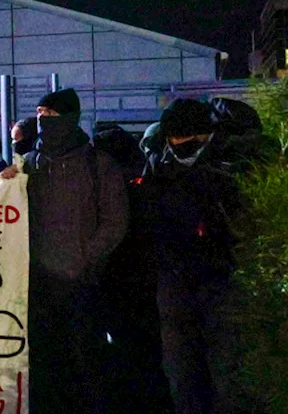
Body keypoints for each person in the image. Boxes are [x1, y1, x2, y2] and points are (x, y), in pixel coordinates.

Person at [19, 89, 128, 412]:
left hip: (81, 284)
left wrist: (84, 258)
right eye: (39, 114)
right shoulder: (27, 164)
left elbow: (115, 221)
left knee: (85, 363)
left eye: (50, 115)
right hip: (37, 286)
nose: (42, 121)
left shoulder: (98, 165)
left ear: (68, 119)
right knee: (44, 366)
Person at [146, 98, 255, 414]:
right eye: (174, 140)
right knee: (183, 372)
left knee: (226, 369)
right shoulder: (160, 166)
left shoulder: (229, 166)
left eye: (188, 140)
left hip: (221, 283)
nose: (180, 147)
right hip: (176, 285)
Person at [93, 124, 174, 413]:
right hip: (146, 282)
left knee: (123, 353)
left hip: (115, 279)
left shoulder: (107, 186)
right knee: (148, 354)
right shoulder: (146, 181)